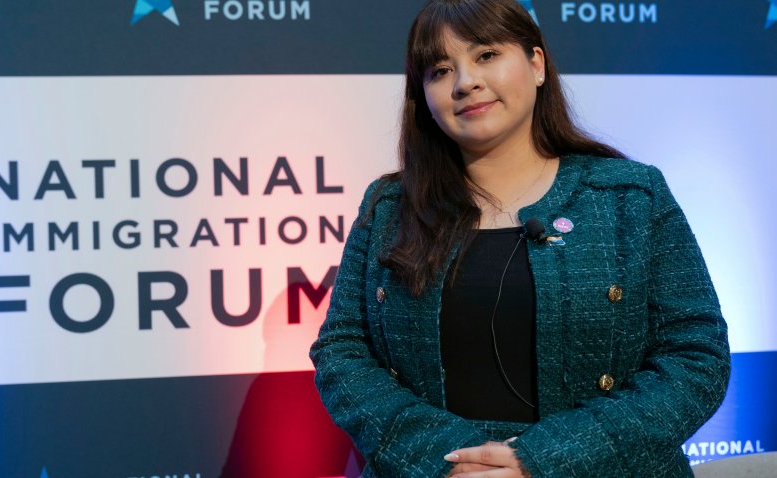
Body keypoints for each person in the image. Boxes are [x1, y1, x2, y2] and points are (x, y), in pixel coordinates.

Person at [309, 0, 730, 476]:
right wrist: (452, 458)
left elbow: (695, 359)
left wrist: (547, 459)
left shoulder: (630, 195)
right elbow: (342, 351)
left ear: (536, 64)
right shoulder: (390, 205)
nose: (464, 82)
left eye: (485, 55)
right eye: (440, 70)